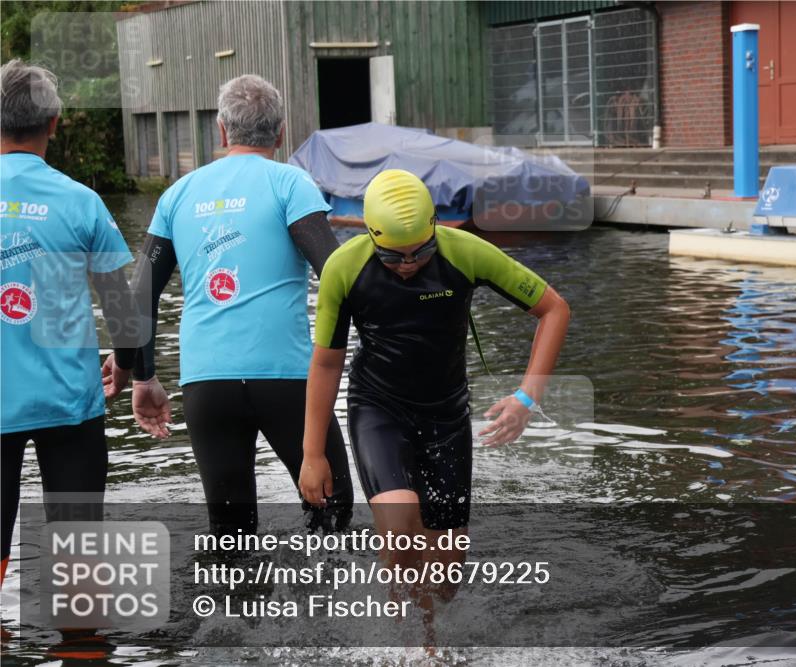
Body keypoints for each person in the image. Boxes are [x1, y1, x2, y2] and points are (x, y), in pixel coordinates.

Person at [298, 169, 571, 638]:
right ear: (369, 235)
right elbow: (325, 366)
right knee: (400, 527)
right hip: (378, 409)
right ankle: (419, 647)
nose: (407, 264)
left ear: (434, 228)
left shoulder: (465, 251)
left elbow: (554, 309)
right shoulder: (345, 267)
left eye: (420, 251)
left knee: (445, 581)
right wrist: (312, 453)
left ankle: (422, 614)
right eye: (393, 256)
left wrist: (527, 396)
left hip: (446, 416)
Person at [120, 74, 352, 536]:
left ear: (222, 132)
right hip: (285, 378)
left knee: (231, 533)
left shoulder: (177, 195)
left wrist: (141, 375)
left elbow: (137, 299)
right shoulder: (291, 183)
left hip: (208, 384)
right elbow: (337, 274)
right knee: (334, 512)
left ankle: (233, 609)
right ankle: (325, 603)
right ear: (281, 133)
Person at [1, 59, 140, 658]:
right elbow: (123, 307)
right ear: (54, 123)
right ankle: (81, 644)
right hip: (69, 403)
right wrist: (133, 370)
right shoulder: (81, 202)